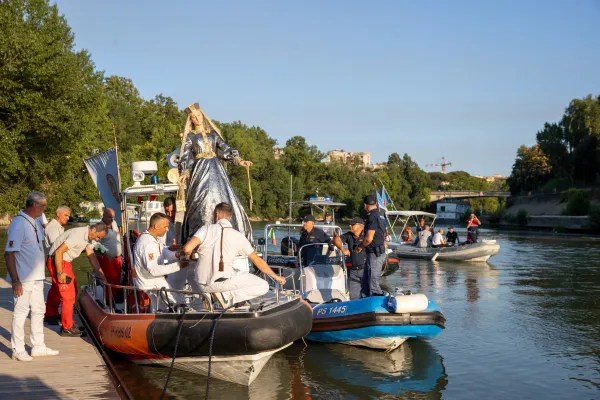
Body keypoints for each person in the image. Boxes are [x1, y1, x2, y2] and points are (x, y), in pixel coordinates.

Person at [182, 203, 286, 308]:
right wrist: (276, 277)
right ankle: (229, 297)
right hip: (222, 284)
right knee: (263, 286)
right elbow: (257, 261)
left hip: (202, 284)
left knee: (233, 271)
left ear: (216, 214)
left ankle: (217, 296)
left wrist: (189, 254)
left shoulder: (205, 229)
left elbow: (187, 248)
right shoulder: (238, 236)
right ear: (230, 217)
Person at [177, 103, 253, 244]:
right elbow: (186, 156)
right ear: (191, 120)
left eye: (198, 115)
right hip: (200, 169)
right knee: (200, 199)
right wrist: (185, 172)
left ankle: (232, 231)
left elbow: (225, 148)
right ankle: (200, 232)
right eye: (194, 117)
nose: (197, 118)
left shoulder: (213, 134)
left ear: (203, 116)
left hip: (216, 169)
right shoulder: (190, 138)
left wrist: (239, 160)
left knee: (225, 196)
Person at [5, 192, 59, 361]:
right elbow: (9, 254)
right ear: (34, 206)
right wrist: (15, 281)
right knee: (21, 312)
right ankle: (18, 349)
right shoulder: (19, 224)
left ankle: (38, 346)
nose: (45, 209)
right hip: (23, 277)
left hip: (37, 277)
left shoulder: (35, 221)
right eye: (43, 206)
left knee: (38, 310)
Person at [45, 223, 108, 336]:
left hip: (65, 261)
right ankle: (67, 328)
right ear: (93, 229)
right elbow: (59, 252)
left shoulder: (90, 237)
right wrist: (60, 272)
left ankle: (50, 315)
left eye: (100, 238)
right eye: (98, 236)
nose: (98, 239)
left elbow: (90, 254)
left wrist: (101, 273)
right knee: (69, 295)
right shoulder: (78, 235)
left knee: (59, 289)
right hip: (59, 261)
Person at [133, 213, 187, 310]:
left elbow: (163, 252)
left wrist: (178, 254)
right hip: (152, 284)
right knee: (179, 303)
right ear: (156, 226)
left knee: (168, 307)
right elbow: (153, 270)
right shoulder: (147, 243)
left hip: (154, 282)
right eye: (165, 226)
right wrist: (179, 265)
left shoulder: (152, 239)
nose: (167, 229)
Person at [356, 195, 387, 297]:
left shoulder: (372, 217)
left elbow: (369, 238)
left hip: (375, 252)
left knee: (373, 281)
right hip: (376, 251)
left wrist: (360, 247)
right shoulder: (381, 215)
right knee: (366, 281)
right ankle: (364, 300)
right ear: (376, 204)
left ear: (365, 205)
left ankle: (376, 301)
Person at [333, 217, 366, 299]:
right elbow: (336, 240)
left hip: (365, 269)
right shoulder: (349, 235)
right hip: (353, 270)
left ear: (361, 226)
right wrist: (343, 249)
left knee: (366, 294)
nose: (350, 226)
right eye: (350, 224)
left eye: (353, 225)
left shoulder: (367, 236)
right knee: (353, 296)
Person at [97, 208, 123, 299]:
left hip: (118, 257)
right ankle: (108, 300)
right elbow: (95, 244)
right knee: (110, 279)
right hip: (107, 258)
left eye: (113, 217)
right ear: (103, 215)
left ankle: (115, 297)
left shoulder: (114, 223)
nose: (111, 219)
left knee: (117, 279)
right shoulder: (99, 227)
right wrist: (106, 253)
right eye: (109, 217)